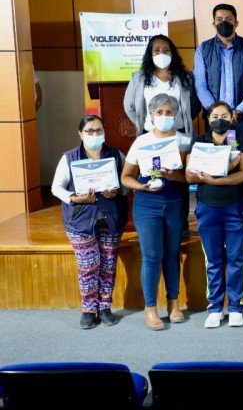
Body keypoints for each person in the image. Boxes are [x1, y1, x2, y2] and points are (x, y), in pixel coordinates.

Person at [120, 94, 191, 330]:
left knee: (172, 253)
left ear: (176, 114)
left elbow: (190, 177)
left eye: (169, 112)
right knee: (151, 255)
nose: (164, 116)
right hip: (147, 205)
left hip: (174, 203)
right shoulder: (141, 142)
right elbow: (126, 177)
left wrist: (175, 176)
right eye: (159, 112)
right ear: (151, 115)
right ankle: (150, 309)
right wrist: (140, 186)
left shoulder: (184, 141)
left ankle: (174, 304)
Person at [52, 116, 128, 329]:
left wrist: (118, 191)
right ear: (80, 133)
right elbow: (57, 188)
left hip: (110, 218)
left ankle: (104, 307)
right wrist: (75, 198)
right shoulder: (69, 158)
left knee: (108, 264)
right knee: (88, 266)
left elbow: (127, 181)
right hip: (81, 220)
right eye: (89, 131)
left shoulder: (116, 155)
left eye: (99, 130)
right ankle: (88, 309)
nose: (95, 135)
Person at [124, 34, 201, 237]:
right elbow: (129, 106)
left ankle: (180, 227)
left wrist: (180, 124)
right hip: (151, 135)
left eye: (166, 50)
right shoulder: (139, 78)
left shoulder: (185, 77)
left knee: (178, 179)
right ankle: (154, 223)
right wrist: (145, 125)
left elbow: (194, 106)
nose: (162, 53)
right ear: (150, 54)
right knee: (154, 176)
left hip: (178, 135)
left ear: (172, 53)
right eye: (156, 50)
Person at [185, 101, 243, 328]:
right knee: (213, 260)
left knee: (236, 259)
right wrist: (211, 177)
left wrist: (215, 180)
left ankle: (235, 306)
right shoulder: (199, 142)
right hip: (207, 207)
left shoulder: (240, 140)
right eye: (215, 116)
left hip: (235, 207)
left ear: (232, 118)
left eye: (224, 116)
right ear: (208, 118)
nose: (219, 120)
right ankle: (214, 307)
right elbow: (189, 175)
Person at [194, 3, 243, 148]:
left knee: (242, 157)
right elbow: (200, 85)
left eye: (229, 19)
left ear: (236, 23)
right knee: (216, 158)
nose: (224, 23)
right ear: (214, 24)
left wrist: (237, 111)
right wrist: (218, 113)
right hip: (215, 121)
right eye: (219, 20)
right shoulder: (203, 49)